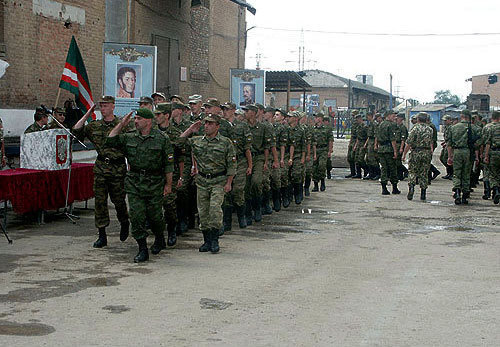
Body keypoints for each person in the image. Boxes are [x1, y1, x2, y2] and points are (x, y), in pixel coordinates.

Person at [106, 108, 174, 262]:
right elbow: (110, 140)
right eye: (135, 118)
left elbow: (169, 165)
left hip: (155, 182)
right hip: (134, 181)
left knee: (155, 217)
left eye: (139, 119)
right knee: (136, 216)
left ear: (148, 121)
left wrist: (168, 185)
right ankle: (142, 248)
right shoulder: (129, 137)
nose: (135, 121)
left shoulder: (162, 138)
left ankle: (159, 237)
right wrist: (122, 123)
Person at [73, 96, 130, 248]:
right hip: (100, 167)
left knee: (118, 201)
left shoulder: (122, 124)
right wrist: (87, 113)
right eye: (101, 106)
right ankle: (102, 235)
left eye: (105, 106)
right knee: (100, 202)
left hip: (117, 168)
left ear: (113, 106)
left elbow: (131, 145)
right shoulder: (94, 126)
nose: (103, 108)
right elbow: (76, 131)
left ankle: (125, 222)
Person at [180, 114, 236, 253]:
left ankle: (215, 240)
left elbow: (231, 164)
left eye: (210, 123)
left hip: (219, 180)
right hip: (202, 181)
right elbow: (178, 142)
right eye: (205, 123)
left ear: (217, 126)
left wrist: (229, 183)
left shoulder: (225, 142)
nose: (207, 126)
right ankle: (206, 241)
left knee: (214, 209)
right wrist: (190, 130)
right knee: (203, 212)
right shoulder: (197, 141)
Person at [154, 103, 185, 247]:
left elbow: (181, 157)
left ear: (167, 115)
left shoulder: (176, 133)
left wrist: (181, 177)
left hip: (171, 174)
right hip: (154, 174)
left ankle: (172, 229)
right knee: (154, 206)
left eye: (159, 114)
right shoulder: (152, 132)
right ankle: (158, 235)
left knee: (169, 204)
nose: (156, 117)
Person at [220, 102, 252, 231]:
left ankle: (241, 216)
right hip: (225, 163)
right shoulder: (220, 125)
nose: (225, 112)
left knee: (238, 190)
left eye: (227, 109)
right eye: (223, 109)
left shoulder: (242, 126)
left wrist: (250, 165)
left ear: (233, 110)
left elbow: (247, 148)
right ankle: (227, 221)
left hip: (240, 162)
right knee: (226, 192)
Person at [447, 110, 480, 205]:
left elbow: (449, 144)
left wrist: (450, 156)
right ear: (469, 117)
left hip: (457, 151)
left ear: (461, 116)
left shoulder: (454, 128)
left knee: (457, 173)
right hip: (468, 152)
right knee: (466, 173)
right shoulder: (474, 128)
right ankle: (465, 195)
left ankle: (457, 192)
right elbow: (481, 140)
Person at [402, 112, 433, 201]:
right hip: (426, 152)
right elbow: (431, 142)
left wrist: (404, 154)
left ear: (418, 119)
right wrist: (430, 152)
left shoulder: (415, 129)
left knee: (412, 171)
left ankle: (411, 187)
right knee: (424, 172)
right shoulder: (430, 129)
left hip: (416, 151)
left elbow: (409, 142)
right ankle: (423, 193)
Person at [375, 110, 400, 195]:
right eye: (393, 116)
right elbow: (393, 139)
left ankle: (384, 188)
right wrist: (395, 151)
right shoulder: (391, 125)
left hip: (381, 149)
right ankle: (394, 188)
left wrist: (377, 146)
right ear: (388, 116)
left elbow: (377, 137)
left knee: (384, 168)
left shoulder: (381, 124)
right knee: (392, 168)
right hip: (389, 149)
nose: (395, 117)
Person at [287, 111, 307, 204]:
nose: (288, 118)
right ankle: (289, 195)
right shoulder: (286, 129)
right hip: (287, 155)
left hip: (298, 155)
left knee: (296, 174)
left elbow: (304, 145)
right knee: (287, 175)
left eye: (290, 117)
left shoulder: (301, 130)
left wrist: (303, 157)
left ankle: (298, 193)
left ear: (295, 118)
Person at [312, 114, 334, 191]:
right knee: (314, 168)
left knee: (322, 166)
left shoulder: (327, 129)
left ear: (321, 118)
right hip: (315, 150)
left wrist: (329, 151)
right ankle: (315, 184)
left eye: (317, 117)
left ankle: (322, 182)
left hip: (323, 149)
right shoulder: (313, 129)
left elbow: (330, 140)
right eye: (315, 118)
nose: (316, 119)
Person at [483, 111, 500, 204]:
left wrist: (486, 156)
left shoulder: (488, 127)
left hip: (493, 152)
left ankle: (496, 190)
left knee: (493, 174)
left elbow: (487, 143)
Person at [353, 113, 368, 178]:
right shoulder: (358, 127)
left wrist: (365, 144)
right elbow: (358, 137)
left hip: (363, 143)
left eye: (357, 119)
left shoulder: (365, 126)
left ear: (360, 119)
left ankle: (367, 170)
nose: (356, 121)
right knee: (356, 159)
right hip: (359, 143)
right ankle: (358, 173)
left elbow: (368, 136)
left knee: (360, 159)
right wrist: (355, 145)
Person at [345, 110, 359, 178]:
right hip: (352, 140)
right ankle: (352, 172)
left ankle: (359, 173)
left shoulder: (358, 124)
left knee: (355, 158)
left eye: (353, 115)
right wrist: (350, 143)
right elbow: (352, 134)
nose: (352, 117)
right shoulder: (353, 123)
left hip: (356, 141)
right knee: (349, 158)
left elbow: (358, 135)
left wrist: (356, 145)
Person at [395, 113, 409, 180]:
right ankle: (400, 174)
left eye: (397, 118)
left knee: (398, 161)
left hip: (400, 144)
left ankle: (404, 171)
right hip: (396, 144)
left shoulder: (403, 127)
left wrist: (401, 148)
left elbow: (403, 139)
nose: (396, 119)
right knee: (396, 161)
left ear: (401, 119)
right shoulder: (397, 126)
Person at [440, 115, 453, 180]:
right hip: (446, 144)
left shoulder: (451, 127)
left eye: (445, 120)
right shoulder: (446, 127)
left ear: (449, 120)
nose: (444, 122)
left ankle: (451, 173)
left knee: (448, 158)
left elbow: (451, 138)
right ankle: (448, 173)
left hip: (450, 145)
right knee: (442, 158)